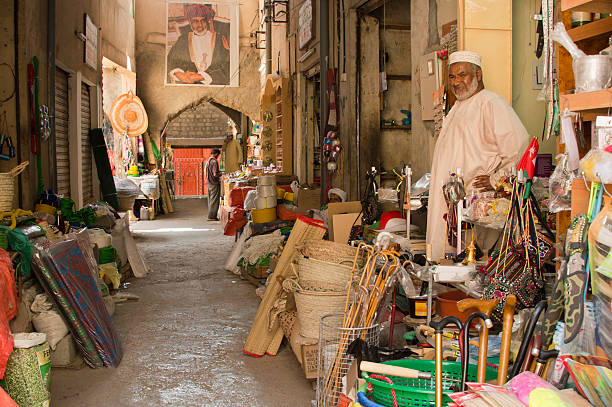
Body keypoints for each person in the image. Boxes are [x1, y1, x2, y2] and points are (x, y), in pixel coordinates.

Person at [425, 51, 530, 262]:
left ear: (478, 75)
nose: (456, 82)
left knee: (476, 267)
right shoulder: (457, 107)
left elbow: (519, 147)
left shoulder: (491, 103)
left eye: (462, 75)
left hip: (477, 208)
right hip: (454, 207)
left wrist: (495, 180)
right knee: (452, 266)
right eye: (452, 77)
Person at [167, 4, 230, 85]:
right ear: (190, 23)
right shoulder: (183, 39)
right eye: (195, 21)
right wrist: (179, 74)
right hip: (189, 84)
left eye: (203, 21)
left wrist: (202, 77)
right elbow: (171, 61)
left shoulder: (219, 39)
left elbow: (228, 65)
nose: (200, 25)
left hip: (213, 82)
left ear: (207, 21)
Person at [204, 148, 222, 221]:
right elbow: (215, 173)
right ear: (216, 154)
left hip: (208, 183)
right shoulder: (214, 161)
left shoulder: (207, 160)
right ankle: (212, 216)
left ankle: (210, 215)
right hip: (214, 183)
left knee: (210, 200)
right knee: (214, 200)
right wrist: (221, 174)